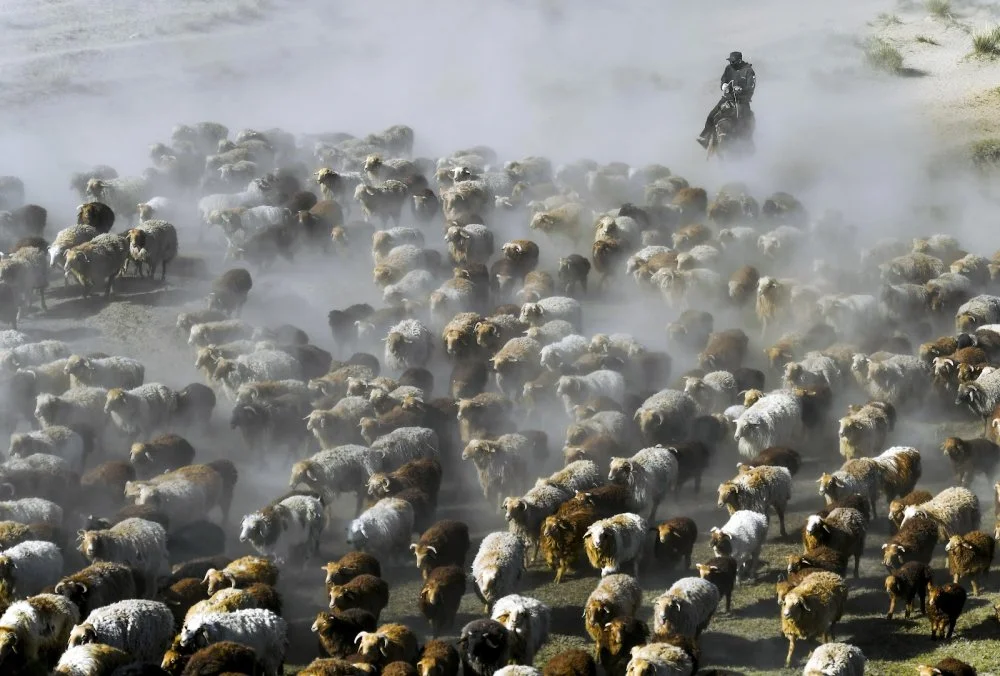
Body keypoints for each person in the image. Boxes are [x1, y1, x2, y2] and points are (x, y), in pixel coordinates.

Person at [697, 51, 756, 148]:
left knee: (745, 123)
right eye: (730, 61)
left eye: (733, 61)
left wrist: (742, 89)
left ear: (739, 61)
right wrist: (723, 85)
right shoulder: (728, 68)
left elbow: (751, 86)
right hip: (727, 98)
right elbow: (723, 79)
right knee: (711, 115)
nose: (731, 63)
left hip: (742, 101)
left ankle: (747, 144)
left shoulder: (749, 71)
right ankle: (705, 137)